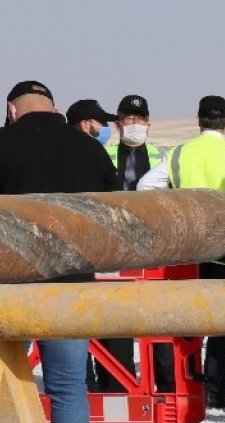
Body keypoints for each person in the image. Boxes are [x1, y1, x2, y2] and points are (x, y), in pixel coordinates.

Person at [0, 80, 120, 423]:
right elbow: (117, 211)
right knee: (68, 386)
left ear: (12, 108)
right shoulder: (89, 147)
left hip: (13, 282)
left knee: (0, 382)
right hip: (71, 283)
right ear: (54, 107)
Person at [135, 95, 225, 410]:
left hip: (189, 249)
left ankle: (180, 381)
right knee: (223, 321)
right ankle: (214, 386)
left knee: (185, 318)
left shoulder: (180, 153)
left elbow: (145, 187)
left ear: (198, 120)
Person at [96, 94, 169, 394]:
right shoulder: (105, 156)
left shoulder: (162, 156)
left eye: (140, 119)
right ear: (118, 124)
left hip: (152, 248)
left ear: (148, 123)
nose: (135, 125)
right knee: (115, 318)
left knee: (158, 319)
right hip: (115, 249)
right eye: (129, 119)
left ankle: (164, 384)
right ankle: (115, 384)